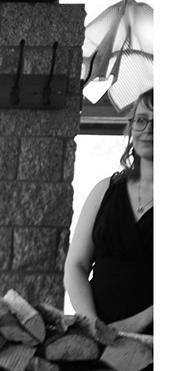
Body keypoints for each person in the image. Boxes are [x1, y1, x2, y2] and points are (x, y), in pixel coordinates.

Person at [63, 90, 153, 333]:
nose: (148, 130)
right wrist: (93, 325)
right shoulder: (105, 190)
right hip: (97, 335)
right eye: (141, 120)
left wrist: (137, 324)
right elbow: (75, 266)